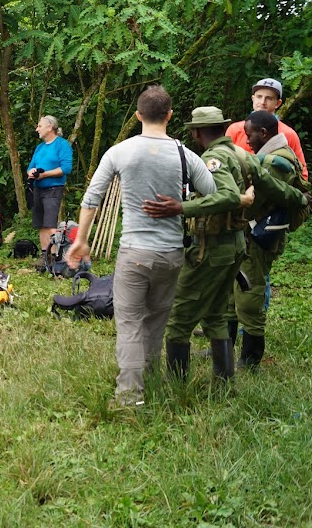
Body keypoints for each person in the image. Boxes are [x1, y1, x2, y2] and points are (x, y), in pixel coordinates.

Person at [67, 86, 216, 407]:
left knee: (131, 323)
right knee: (155, 323)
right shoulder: (184, 154)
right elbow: (213, 190)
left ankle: (129, 397)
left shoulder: (119, 152)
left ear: (138, 116)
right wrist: (182, 203)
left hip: (134, 253)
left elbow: (91, 198)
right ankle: (150, 383)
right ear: (170, 116)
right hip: (172, 254)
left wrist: (81, 240)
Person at [143, 107, 255, 384]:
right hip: (235, 244)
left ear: (196, 132)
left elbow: (229, 196)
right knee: (216, 315)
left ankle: (178, 384)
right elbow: (258, 186)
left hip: (212, 248)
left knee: (179, 318)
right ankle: (224, 382)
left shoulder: (214, 157)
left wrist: (182, 207)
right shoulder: (239, 154)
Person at [224, 111, 309, 369]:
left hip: (259, 237)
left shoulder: (277, 162)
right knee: (230, 293)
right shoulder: (264, 156)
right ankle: (224, 347)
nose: (246, 139)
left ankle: (250, 358)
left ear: (263, 133)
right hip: (244, 233)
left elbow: (257, 198)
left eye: (249, 133)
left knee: (250, 294)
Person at [226, 78, 308, 181]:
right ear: (253, 99)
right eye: (259, 97)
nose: (262, 102)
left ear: (278, 103)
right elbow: (224, 161)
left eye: (269, 98)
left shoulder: (288, 134)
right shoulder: (235, 129)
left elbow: (301, 171)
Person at [27, 115, 73, 265]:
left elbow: (66, 168)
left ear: (50, 127)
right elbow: (30, 166)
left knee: (50, 224)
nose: (37, 129)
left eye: (40, 126)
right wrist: (31, 172)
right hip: (37, 189)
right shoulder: (39, 147)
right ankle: (44, 256)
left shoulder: (62, 144)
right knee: (40, 224)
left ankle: (56, 257)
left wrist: (45, 174)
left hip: (53, 189)